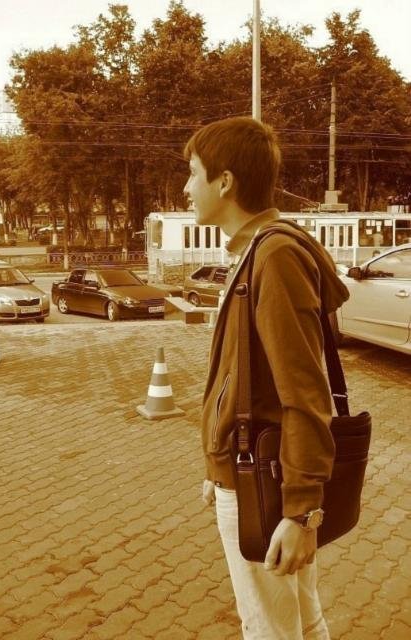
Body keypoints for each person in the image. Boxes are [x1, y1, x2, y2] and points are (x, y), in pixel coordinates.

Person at [183, 116, 349, 640]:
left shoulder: (274, 258)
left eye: (193, 173)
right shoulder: (256, 252)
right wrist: (217, 465)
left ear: (224, 181)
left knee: (270, 631)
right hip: (250, 474)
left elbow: (304, 394)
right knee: (300, 621)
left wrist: (302, 513)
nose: (186, 187)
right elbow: (245, 379)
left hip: (264, 485)